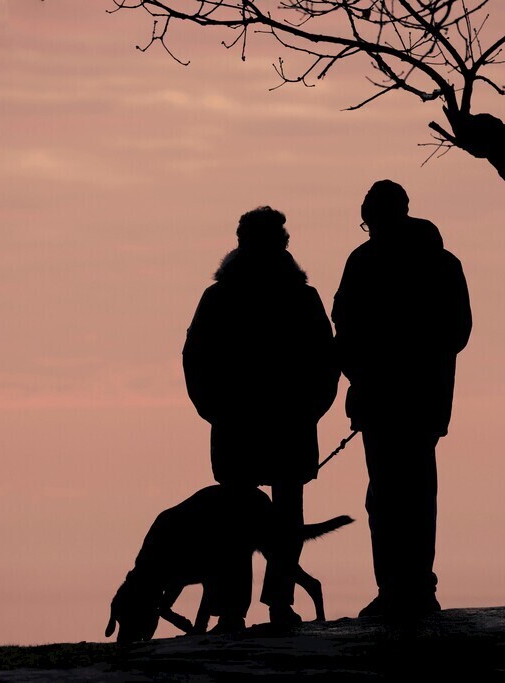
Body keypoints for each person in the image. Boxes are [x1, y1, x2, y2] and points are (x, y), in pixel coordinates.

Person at [183, 206, 339, 627]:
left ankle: (237, 610)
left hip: (249, 423)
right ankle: (274, 605)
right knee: (281, 514)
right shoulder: (299, 297)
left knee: (239, 518)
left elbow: (194, 358)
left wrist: (214, 409)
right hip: (279, 423)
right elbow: (327, 360)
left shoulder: (220, 298)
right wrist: (312, 409)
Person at [332, 180, 472, 619]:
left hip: (390, 400)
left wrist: (367, 372)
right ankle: (410, 589)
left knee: (390, 495)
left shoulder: (366, 262)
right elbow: (458, 333)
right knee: (411, 494)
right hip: (420, 400)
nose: (369, 229)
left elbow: (345, 331)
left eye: (370, 222)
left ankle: (400, 588)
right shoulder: (442, 263)